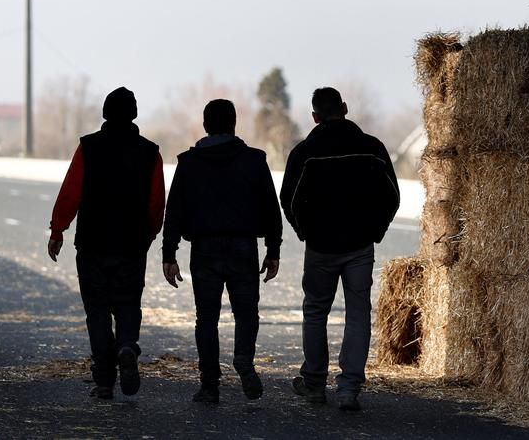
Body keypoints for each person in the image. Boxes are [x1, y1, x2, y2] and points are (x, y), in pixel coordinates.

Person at [280, 87, 399, 411]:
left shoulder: (305, 151)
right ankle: (349, 389)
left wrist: (305, 232)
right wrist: (376, 231)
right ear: (344, 108)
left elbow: (288, 199)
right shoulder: (372, 148)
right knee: (358, 313)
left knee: (315, 311)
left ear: (315, 117)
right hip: (360, 246)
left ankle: (314, 383)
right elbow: (391, 196)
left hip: (321, 246)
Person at [162, 99, 283, 404]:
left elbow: (174, 210)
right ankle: (243, 359)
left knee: (206, 318)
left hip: (204, 248)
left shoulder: (189, 163)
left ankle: (209, 385)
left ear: (205, 125)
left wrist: (169, 254)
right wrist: (273, 249)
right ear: (234, 124)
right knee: (246, 313)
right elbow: (271, 207)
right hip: (243, 247)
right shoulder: (254, 160)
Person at [47, 86, 165, 400]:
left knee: (97, 311)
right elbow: (157, 202)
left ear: (105, 113)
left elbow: (70, 192)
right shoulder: (150, 152)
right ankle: (126, 345)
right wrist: (150, 233)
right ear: (134, 114)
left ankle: (104, 381)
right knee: (128, 304)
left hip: (93, 244)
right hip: (131, 245)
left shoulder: (88, 147)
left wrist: (58, 230)